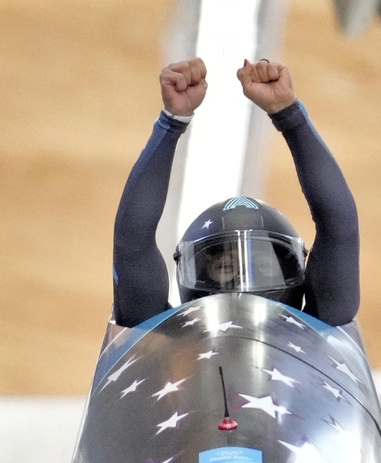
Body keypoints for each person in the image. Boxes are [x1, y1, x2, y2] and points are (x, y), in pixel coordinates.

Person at [112, 58, 360, 329]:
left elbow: (131, 240)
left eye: (264, 267)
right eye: (226, 268)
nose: (245, 283)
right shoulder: (325, 324)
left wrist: (172, 124)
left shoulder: (154, 336)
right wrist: (289, 116)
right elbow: (339, 226)